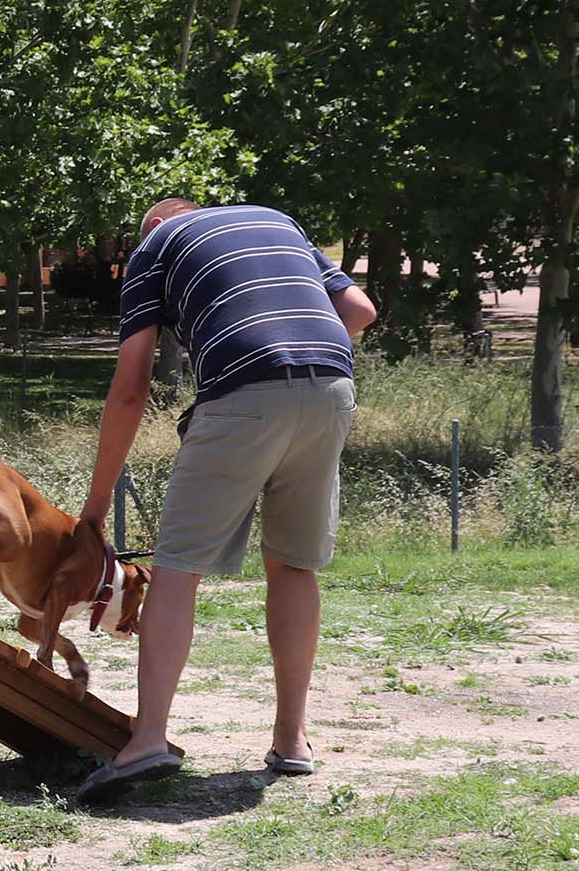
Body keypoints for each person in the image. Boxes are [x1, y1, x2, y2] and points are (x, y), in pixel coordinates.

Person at [72, 198, 376, 798]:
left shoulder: (155, 245)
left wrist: (97, 503)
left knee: (177, 569)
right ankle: (292, 740)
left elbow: (130, 389)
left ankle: (149, 739)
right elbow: (361, 310)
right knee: (293, 563)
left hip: (242, 390)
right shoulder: (278, 220)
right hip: (332, 386)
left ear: (153, 226)